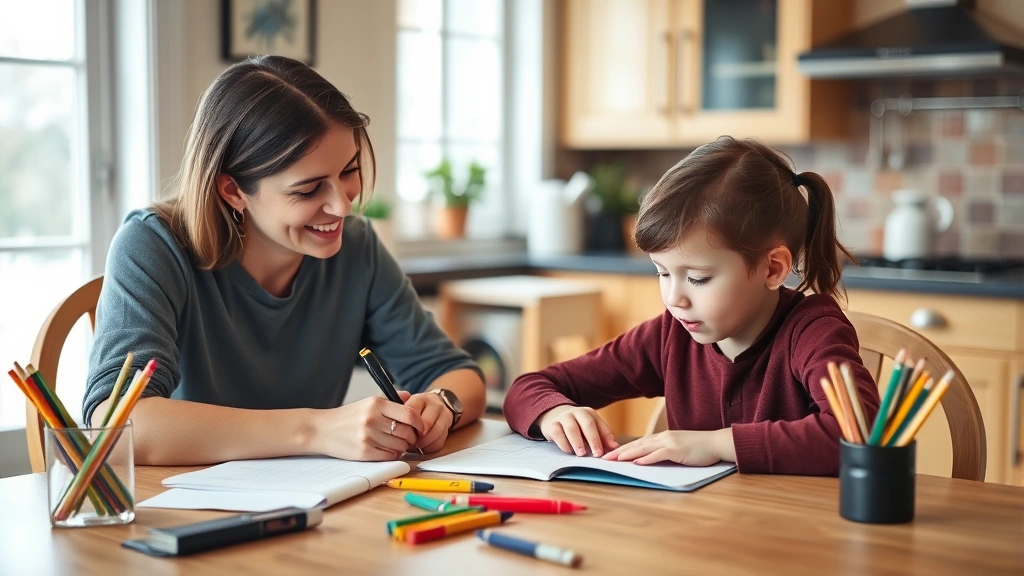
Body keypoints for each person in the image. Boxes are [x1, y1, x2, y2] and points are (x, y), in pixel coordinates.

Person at [84, 56, 485, 465]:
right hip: (187, 512)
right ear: (233, 190)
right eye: (309, 189)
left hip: (317, 505)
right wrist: (316, 430)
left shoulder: (358, 248)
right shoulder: (153, 246)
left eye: (349, 171)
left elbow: (457, 373)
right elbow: (114, 426)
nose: (343, 207)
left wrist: (441, 403)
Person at [503, 136, 881, 476]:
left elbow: (859, 436)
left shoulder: (812, 330)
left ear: (773, 268)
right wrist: (555, 412)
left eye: (698, 278)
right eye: (662, 273)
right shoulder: (669, 334)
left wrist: (715, 444)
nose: (674, 299)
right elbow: (528, 388)